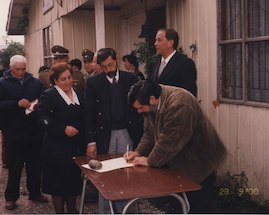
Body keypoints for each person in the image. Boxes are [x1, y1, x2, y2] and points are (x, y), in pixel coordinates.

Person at [126, 80, 227, 213]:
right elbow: (149, 133)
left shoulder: (180, 103)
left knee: (197, 206)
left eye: (140, 108)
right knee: (178, 205)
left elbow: (169, 142)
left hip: (201, 162)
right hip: (180, 162)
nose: (138, 111)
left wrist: (149, 160)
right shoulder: (152, 104)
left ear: (152, 99)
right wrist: (138, 152)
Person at [84, 48, 143, 213]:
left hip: (127, 132)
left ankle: (130, 210)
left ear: (116, 59)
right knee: (105, 174)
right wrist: (91, 141)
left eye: (111, 65)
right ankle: (107, 211)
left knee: (128, 172)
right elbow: (88, 114)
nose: (109, 70)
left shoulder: (130, 78)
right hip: (105, 135)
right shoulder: (93, 82)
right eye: (104, 67)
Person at [0, 55, 48, 210]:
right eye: (17, 69)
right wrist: (16, 104)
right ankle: (11, 197)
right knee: (15, 166)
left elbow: (44, 100)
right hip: (14, 132)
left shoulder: (35, 82)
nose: (21, 72)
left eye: (23, 69)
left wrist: (37, 105)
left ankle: (35, 192)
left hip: (34, 130)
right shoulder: (1, 84)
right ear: (10, 67)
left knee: (35, 165)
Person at [37, 62, 86, 213]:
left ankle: (72, 210)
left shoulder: (78, 93)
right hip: (56, 149)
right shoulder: (49, 95)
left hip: (75, 148)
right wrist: (62, 129)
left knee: (72, 184)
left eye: (69, 77)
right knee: (58, 186)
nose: (68, 81)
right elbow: (41, 118)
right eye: (63, 79)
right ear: (55, 81)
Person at [150, 28, 197, 97]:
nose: (155, 43)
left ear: (170, 43)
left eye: (159, 40)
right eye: (155, 40)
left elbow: (189, 94)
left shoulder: (185, 63)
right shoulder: (155, 64)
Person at [0, 68, 9, 168]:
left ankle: (6, 160)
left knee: (5, 140)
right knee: (6, 140)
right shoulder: (0, 86)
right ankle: (6, 161)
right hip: (4, 119)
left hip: (3, 120)